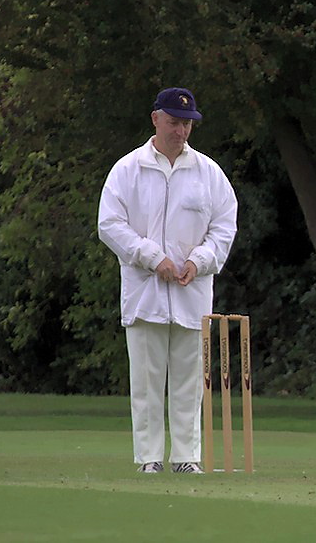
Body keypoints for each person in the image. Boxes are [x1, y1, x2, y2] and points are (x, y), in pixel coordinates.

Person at [98, 87, 238, 475]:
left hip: (192, 294)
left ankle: (186, 457)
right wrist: (151, 257)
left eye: (187, 124)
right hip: (145, 293)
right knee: (146, 382)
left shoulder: (208, 172)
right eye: (174, 122)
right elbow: (109, 225)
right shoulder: (128, 169)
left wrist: (199, 261)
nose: (181, 131)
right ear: (156, 119)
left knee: (189, 384)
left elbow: (224, 227)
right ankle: (149, 458)